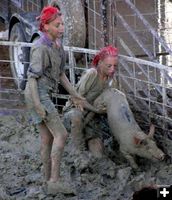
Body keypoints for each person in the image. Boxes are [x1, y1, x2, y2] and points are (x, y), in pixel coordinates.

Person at [24, 6, 89, 194]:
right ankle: (54, 180)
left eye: (62, 24)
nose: (62, 28)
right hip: (37, 93)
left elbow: (60, 74)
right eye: (57, 25)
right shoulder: (40, 48)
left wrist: (75, 94)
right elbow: (32, 78)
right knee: (61, 135)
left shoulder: (58, 46)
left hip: (43, 93)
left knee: (47, 137)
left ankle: (46, 180)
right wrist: (38, 105)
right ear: (46, 26)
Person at [63, 45, 118, 158]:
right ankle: (79, 154)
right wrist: (96, 110)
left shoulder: (112, 81)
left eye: (114, 66)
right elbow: (77, 99)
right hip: (75, 112)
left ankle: (89, 145)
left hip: (92, 119)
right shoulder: (92, 74)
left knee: (98, 155)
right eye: (109, 66)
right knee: (76, 117)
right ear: (100, 63)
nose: (112, 69)